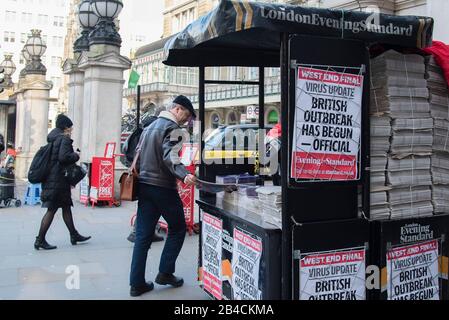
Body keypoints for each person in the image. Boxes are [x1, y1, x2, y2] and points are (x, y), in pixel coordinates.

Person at [129, 95, 197, 297]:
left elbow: (129, 151)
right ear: (177, 109)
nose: (186, 120)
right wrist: (185, 175)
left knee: (142, 235)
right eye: (186, 114)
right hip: (163, 188)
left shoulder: (150, 126)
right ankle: (165, 273)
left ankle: (136, 283)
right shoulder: (174, 128)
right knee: (177, 228)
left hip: (144, 186)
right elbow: (170, 156)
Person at [34, 114, 91, 250]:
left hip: (53, 179)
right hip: (58, 180)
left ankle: (74, 234)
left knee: (66, 207)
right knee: (51, 209)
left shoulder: (52, 138)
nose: (71, 130)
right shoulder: (64, 139)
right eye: (70, 128)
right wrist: (76, 155)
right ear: (65, 127)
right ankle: (40, 240)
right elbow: (63, 158)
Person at [124, 106, 165, 244]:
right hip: (148, 173)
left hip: (142, 171)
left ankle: (150, 230)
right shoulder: (151, 131)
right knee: (150, 206)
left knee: (150, 205)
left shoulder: (141, 130)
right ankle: (137, 231)